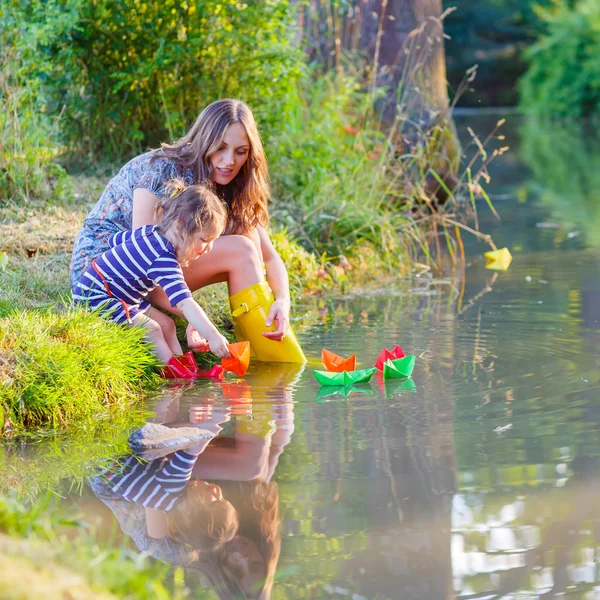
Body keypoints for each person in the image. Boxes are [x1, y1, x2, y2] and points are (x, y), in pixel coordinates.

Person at [70, 99, 305, 363]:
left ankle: (272, 363)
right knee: (242, 250)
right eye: (221, 148)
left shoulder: (233, 182)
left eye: (241, 151)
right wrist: (194, 317)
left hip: (149, 273)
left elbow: (270, 256)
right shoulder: (163, 170)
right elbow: (145, 260)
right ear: (205, 140)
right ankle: (271, 362)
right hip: (105, 276)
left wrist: (282, 302)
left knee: (248, 238)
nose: (229, 161)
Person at [73, 180, 231, 378]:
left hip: (122, 295)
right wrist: (213, 336)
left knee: (168, 325)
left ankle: (187, 368)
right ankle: (177, 376)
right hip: (99, 297)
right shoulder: (163, 258)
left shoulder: (151, 232)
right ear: (180, 226)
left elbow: (116, 240)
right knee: (153, 329)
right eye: (204, 240)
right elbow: (185, 303)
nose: (209, 248)